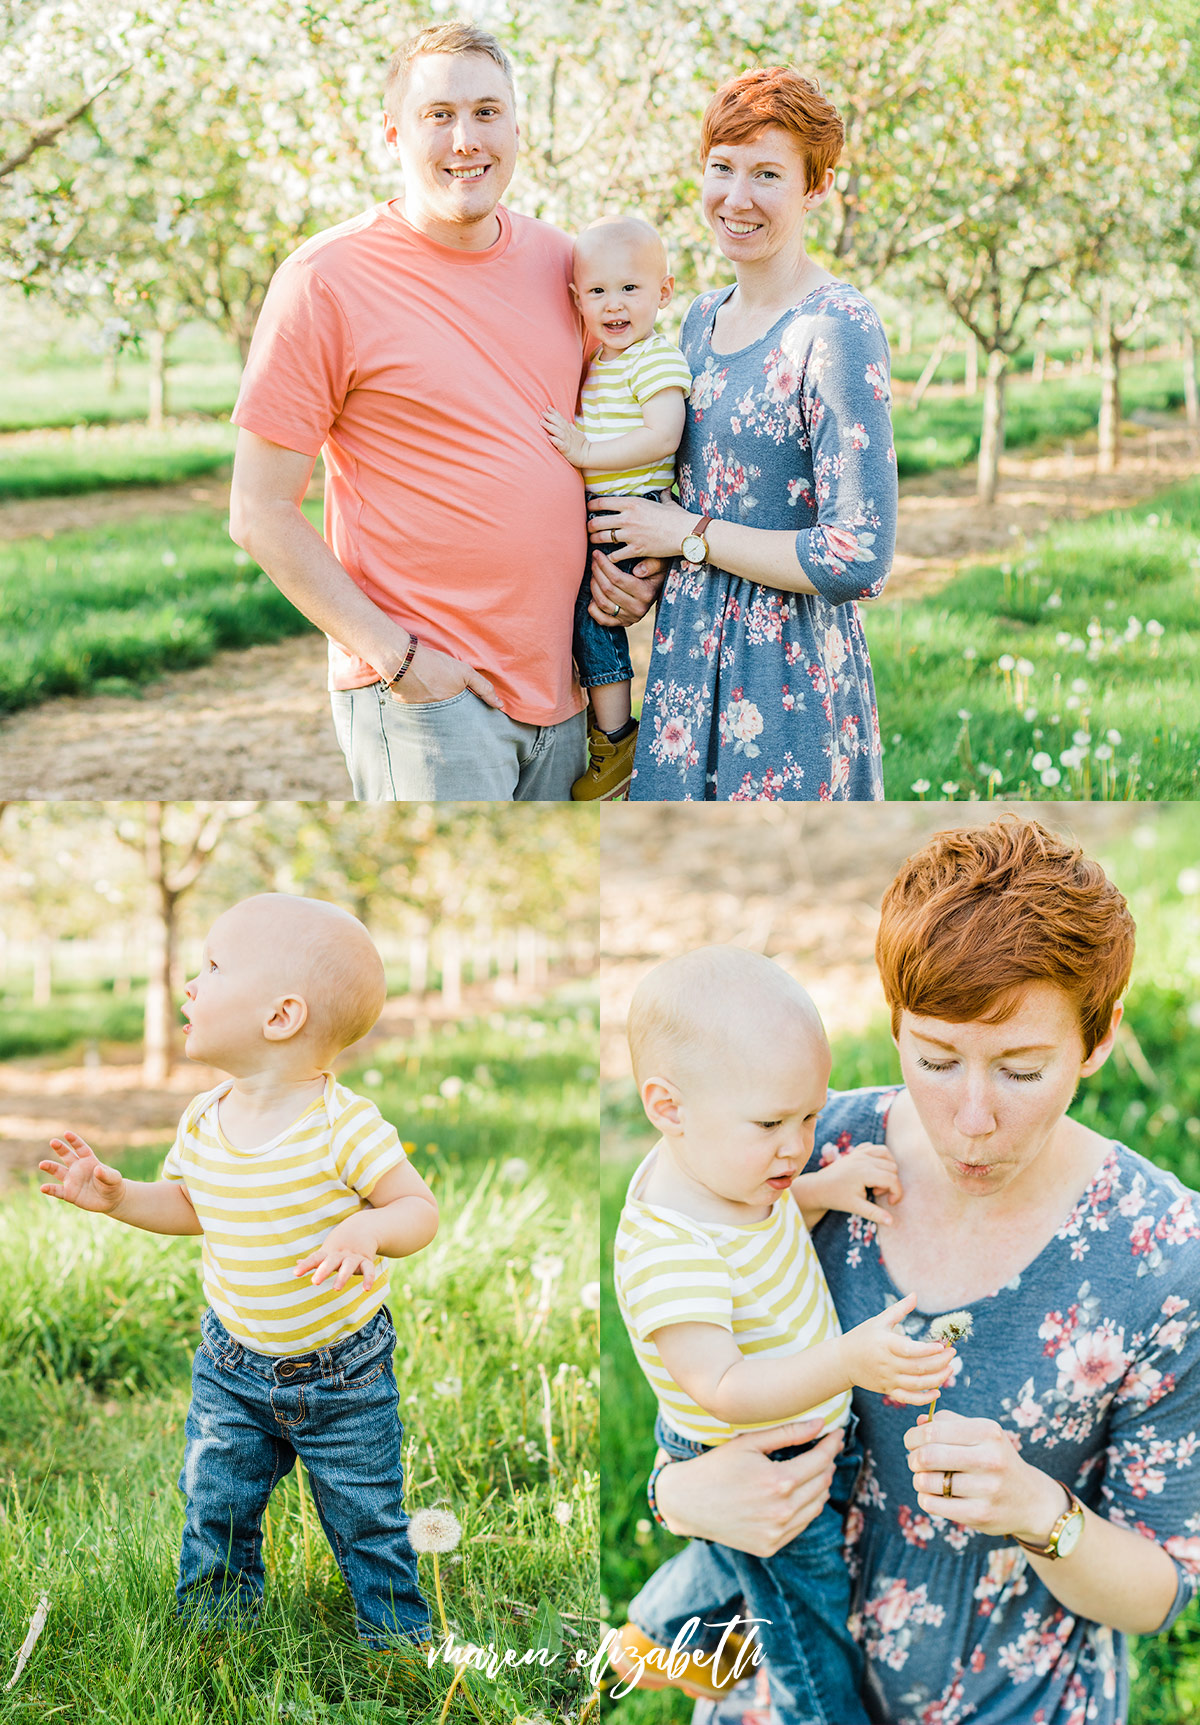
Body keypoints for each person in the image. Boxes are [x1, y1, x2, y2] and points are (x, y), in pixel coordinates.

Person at [633, 816, 1200, 1725]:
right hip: (778, 1693)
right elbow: (688, 1354)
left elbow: (1157, 1593)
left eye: (1020, 1069)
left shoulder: (1164, 1253)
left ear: (1098, 1040)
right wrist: (678, 1492)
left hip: (1014, 1699)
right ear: (892, 1022)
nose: (971, 1115)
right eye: (934, 1058)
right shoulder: (802, 1154)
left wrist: (1037, 1508)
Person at [228, 22, 660, 802]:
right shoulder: (324, 280)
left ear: (518, 128)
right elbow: (259, 512)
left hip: (561, 695)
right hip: (426, 700)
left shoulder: (568, 267)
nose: (467, 138)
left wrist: (638, 571)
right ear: (394, 132)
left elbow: (621, 428)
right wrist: (398, 660)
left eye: (488, 112)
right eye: (439, 115)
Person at [38, 894, 439, 1651]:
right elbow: (195, 1205)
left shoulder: (343, 1125)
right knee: (215, 1497)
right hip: (232, 1364)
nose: (191, 983)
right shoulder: (203, 1116)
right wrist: (121, 1197)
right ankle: (217, 1626)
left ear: (281, 1017)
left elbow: (418, 1209)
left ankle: (396, 1638)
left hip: (342, 1372)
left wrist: (369, 1225)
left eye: (214, 967)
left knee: (366, 1511)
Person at [610, 947, 954, 1722]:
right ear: (668, 1106)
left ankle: (660, 1630)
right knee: (809, 1619)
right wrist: (848, 1360)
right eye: (772, 1122)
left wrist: (822, 1189)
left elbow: (765, 1222)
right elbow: (722, 1389)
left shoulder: (725, 1173)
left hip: (793, 1423)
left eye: (809, 1113)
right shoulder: (673, 1246)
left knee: (738, 1560)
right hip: (758, 1447)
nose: (797, 1142)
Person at [585, 68, 898, 801]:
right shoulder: (696, 319)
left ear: (815, 187)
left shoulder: (835, 328)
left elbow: (859, 554)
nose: (737, 197)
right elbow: (688, 496)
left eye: (767, 174)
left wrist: (687, 535)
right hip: (684, 669)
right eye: (722, 168)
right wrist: (645, 573)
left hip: (787, 683)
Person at [541, 216, 692, 800]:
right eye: (598, 291)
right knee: (585, 618)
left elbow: (663, 436)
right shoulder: (603, 362)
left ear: (664, 292)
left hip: (634, 511)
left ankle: (616, 742)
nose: (614, 304)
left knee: (594, 619)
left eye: (630, 288)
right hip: (612, 510)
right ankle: (609, 732)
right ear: (578, 299)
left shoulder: (652, 358)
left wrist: (586, 451)